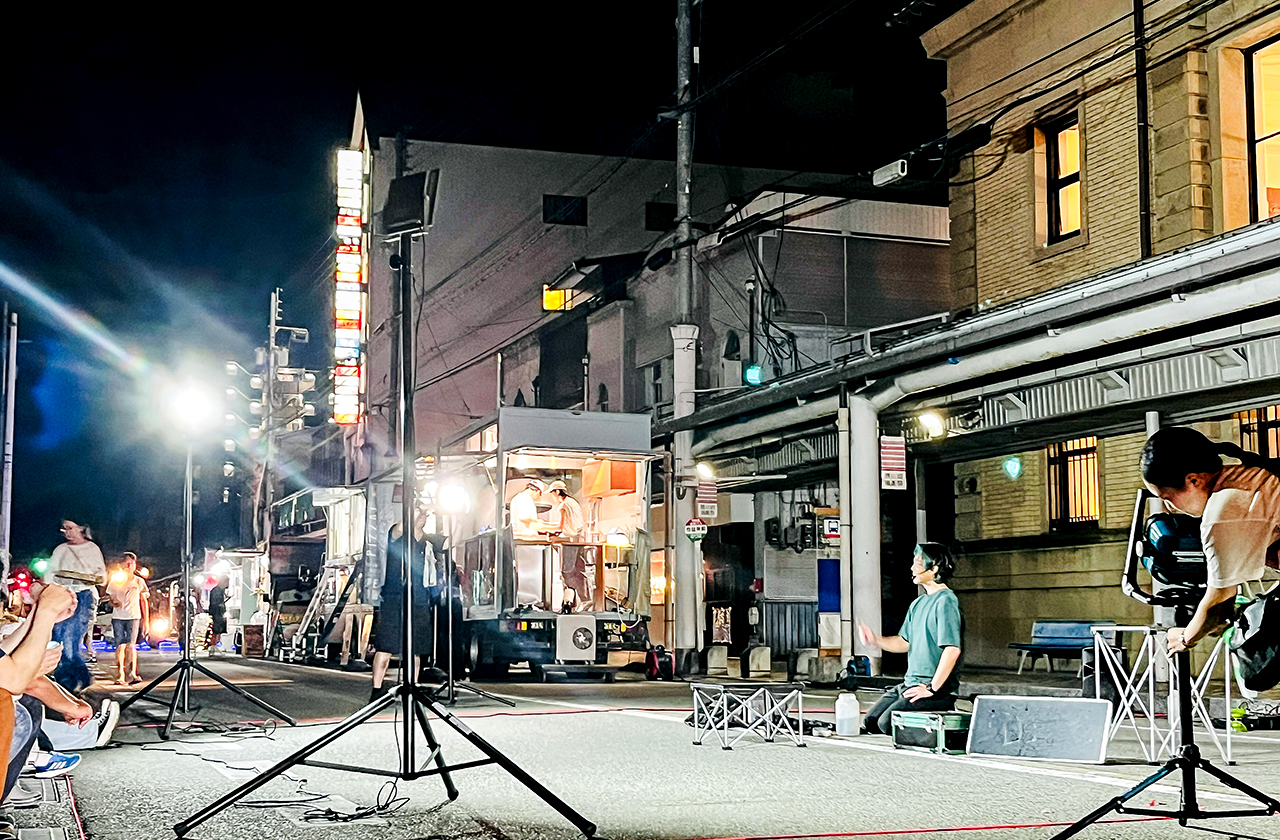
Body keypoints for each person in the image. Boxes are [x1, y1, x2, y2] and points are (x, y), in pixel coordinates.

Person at [1140, 427, 1280, 656]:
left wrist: (1185, 638)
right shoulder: (1249, 475)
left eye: (1167, 497)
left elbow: (1219, 604)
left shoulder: (1225, 511)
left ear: (1193, 480)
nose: (1168, 508)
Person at [858, 543, 964, 736]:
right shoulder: (918, 604)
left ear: (934, 568)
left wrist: (932, 688)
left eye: (917, 563)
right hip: (910, 684)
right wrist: (876, 640)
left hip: (934, 689)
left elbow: (952, 649)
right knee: (872, 722)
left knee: (886, 724)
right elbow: (904, 642)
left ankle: (940, 714)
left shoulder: (946, 602)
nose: (912, 568)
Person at [369, 508, 434, 704]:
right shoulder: (396, 535)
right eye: (417, 513)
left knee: (416, 648)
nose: (421, 516)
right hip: (394, 598)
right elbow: (399, 529)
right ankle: (377, 689)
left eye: (424, 515)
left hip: (419, 598)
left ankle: (412, 687)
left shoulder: (426, 541)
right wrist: (412, 513)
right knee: (386, 646)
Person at [44, 520, 106, 692]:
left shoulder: (92, 549)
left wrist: (83, 576)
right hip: (62, 594)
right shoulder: (61, 550)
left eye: (71, 528)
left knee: (71, 638)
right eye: (65, 529)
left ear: (82, 528)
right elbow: (49, 574)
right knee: (58, 636)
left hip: (83, 594)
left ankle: (69, 681)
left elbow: (101, 576)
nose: (67, 532)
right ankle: (77, 677)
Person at [105, 552, 149, 684]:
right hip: (118, 616)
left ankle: (133, 673)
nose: (130, 566)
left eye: (132, 563)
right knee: (120, 646)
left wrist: (146, 620)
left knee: (132, 645)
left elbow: (143, 601)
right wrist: (115, 602)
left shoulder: (139, 581)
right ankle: (120, 675)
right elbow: (110, 597)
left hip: (134, 616)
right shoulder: (115, 580)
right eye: (127, 563)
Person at [545, 480, 589, 609]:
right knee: (579, 571)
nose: (552, 496)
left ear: (557, 492)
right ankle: (584, 600)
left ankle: (569, 600)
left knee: (567, 572)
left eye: (552, 493)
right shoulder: (574, 502)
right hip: (579, 540)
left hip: (569, 542)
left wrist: (545, 528)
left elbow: (560, 527)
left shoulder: (563, 506)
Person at [206, 575, 228, 653]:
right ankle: (214, 645)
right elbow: (216, 603)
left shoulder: (217, 590)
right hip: (217, 612)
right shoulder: (217, 591)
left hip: (217, 612)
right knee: (217, 629)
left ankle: (214, 645)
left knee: (217, 629)